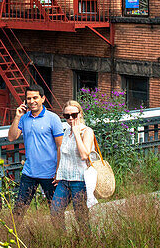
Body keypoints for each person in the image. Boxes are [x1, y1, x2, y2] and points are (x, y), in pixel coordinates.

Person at [8, 86, 63, 217]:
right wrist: (17, 117)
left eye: (35, 98)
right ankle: (12, 238)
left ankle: (61, 237)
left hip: (50, 173)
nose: (32, 101)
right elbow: (12, 137)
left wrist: (58, 171)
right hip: (29, 172)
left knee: (56, 213)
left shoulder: (53, 118)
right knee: (18, 212)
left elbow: (60, 146)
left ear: (43, 99)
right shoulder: (24, 118)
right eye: (28, 98)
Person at [51, 100, 96, 230]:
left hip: (79, 180)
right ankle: (63, 241)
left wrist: (76, 133)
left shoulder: (87, 131)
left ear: (80, 114)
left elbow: (84, 155)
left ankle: (86, 245)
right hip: (64, 180)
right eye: (66, 116)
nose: (70, 119)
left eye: (74, 115)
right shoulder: (66, 132)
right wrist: (58, 173)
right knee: (55, 212)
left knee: (81, 217)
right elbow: (62, 153)